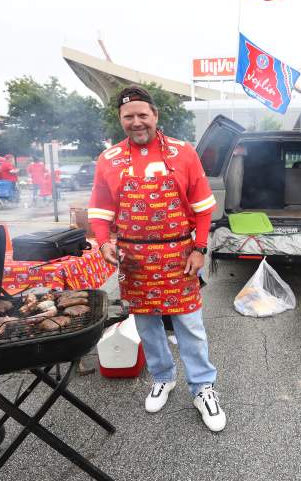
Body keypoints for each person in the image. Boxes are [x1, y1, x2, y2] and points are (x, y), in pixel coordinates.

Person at [88, 86, 225, 432]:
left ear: (155, 116)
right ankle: (164, 377)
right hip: (133, 260)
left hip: (179, 254)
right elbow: (100, 212)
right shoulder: (109, 160)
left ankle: (203, 388)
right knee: (147, 325)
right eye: (128, 116)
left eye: (142, 115)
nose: (136, 122)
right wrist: (105, 244)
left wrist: (200, 248)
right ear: (120, 120)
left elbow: (203, 208)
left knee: (190, 326)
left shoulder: (183, 153)